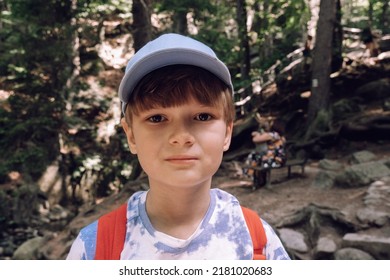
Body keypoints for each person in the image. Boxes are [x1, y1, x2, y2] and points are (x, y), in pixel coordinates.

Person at [66, 33, 290, 260]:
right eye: (157, 118)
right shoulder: (95, 248)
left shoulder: (258, 242)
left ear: (227, 132)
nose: (181, 137)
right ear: (131, 136)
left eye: (202, 116)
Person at [244, 116, 286, 187]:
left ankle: (253, 177)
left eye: (271, 123)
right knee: (256, 156)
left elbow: (255, 139)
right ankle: (258, 179)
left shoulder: (272, 134)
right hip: (278, 159)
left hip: (274, 160)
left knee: (254, 157)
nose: (270, 124)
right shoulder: (279, 136)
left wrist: (257, 134)